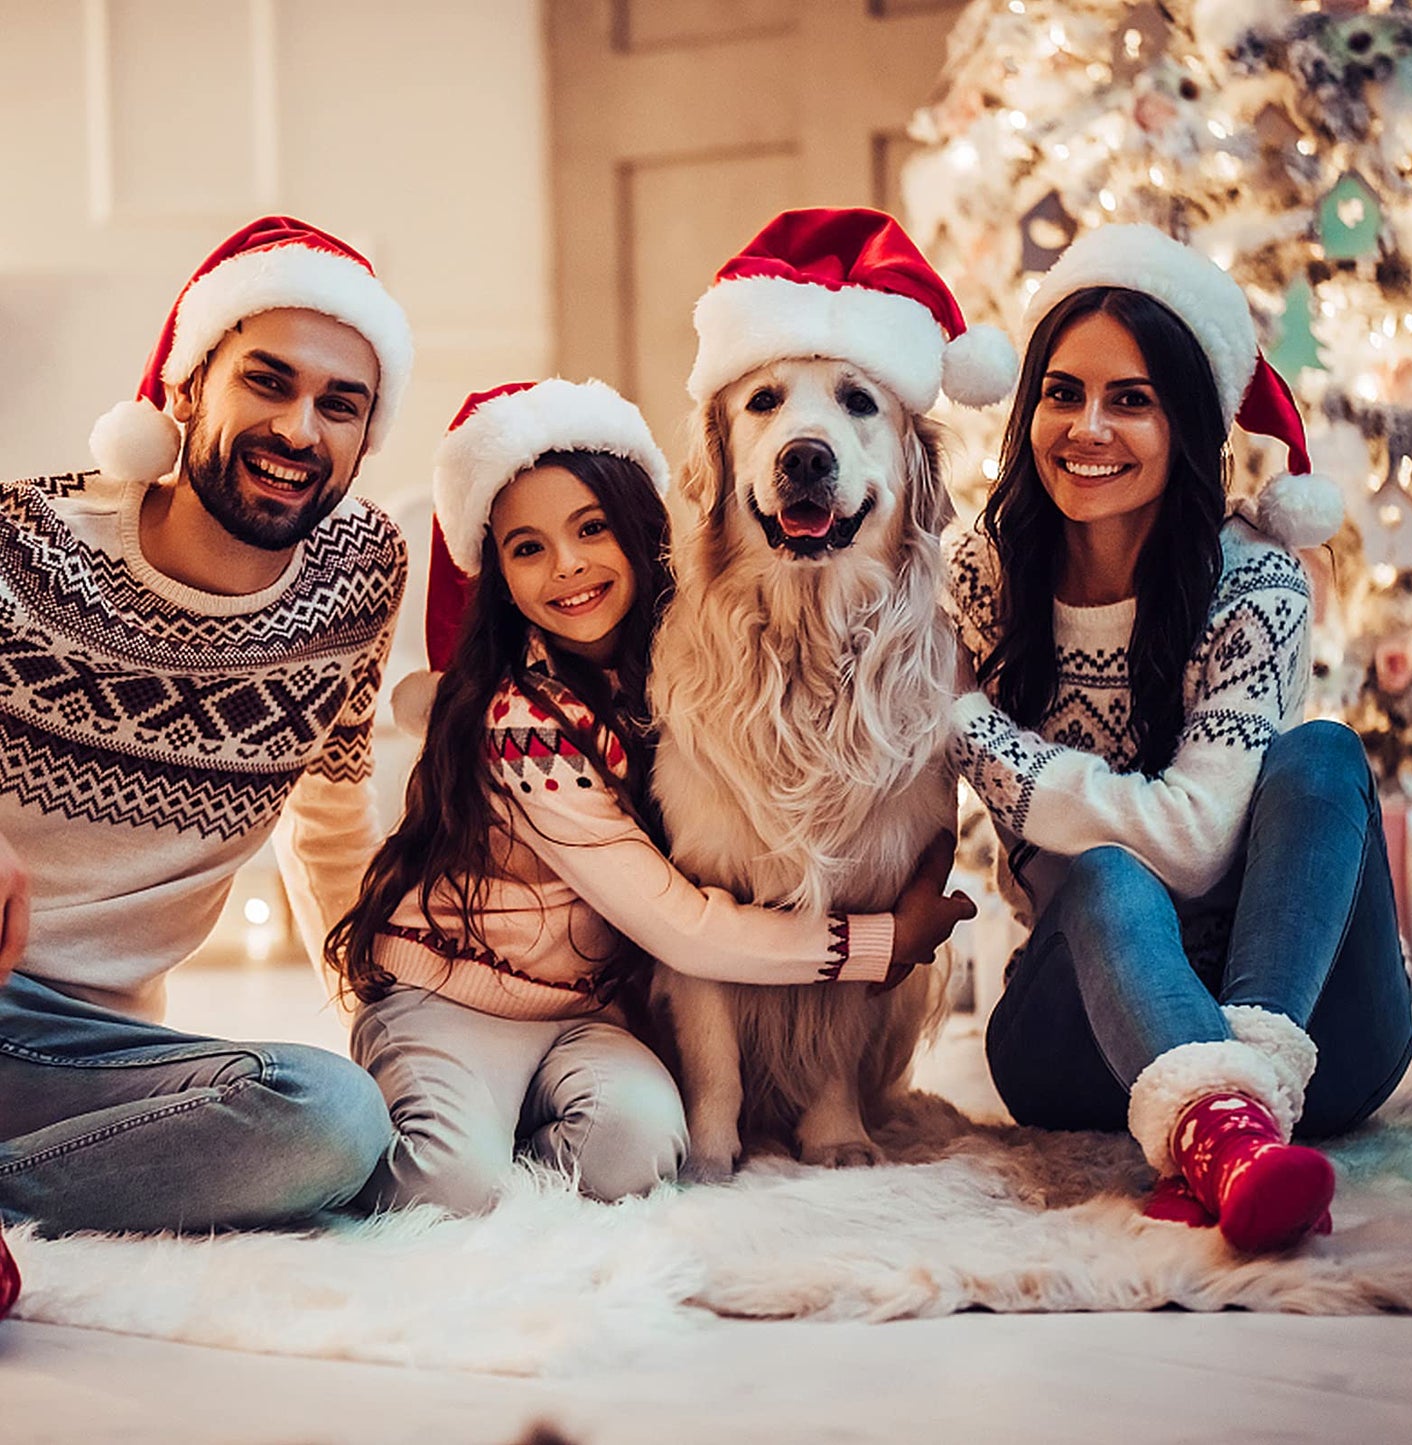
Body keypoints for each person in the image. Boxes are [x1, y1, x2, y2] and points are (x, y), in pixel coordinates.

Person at [325, 378, 973, 1213]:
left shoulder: (672, 666)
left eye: (592, 529)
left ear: (640, 533)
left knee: (635, 1151)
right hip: (453, 999)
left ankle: (508, 1127)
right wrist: (880, 942)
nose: (567, 567)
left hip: (585, 1012)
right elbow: (675, 921)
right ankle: (437, 1120)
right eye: (527, 549)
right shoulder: (520, 720)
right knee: (447, 1185)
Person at [945, 223, 1412, 1253]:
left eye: (1131, 398)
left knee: (1321, 755)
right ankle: (1224, 1135)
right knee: (1106, 879)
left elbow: (1201, 839)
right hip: (1078, 1038)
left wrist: (975, 730)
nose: (1087, 426)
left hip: (1308, 1030)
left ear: (1189, 421)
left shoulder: (1251, 583)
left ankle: (1230, 1115)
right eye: (1061, 392)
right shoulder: (980, 578)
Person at [0, 216, 413, 1234]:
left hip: (91, 1054)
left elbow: (329, 813)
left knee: (330, 1118)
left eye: (339, 404)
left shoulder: (360, 579)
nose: (299, 429)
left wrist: (392, 1022)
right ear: (186, 389)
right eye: (266, 382)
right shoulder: (25, 539)